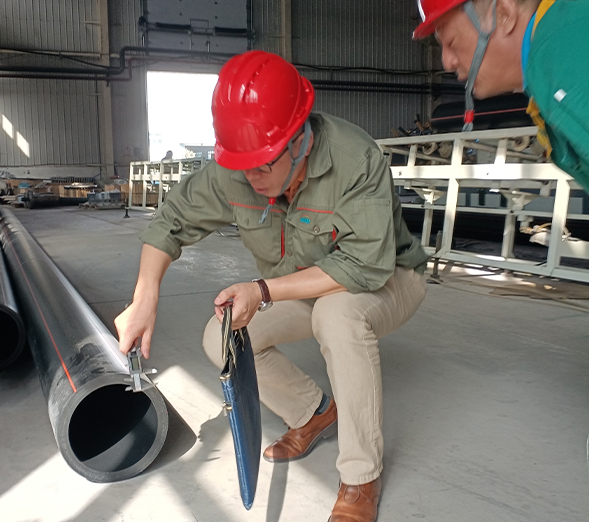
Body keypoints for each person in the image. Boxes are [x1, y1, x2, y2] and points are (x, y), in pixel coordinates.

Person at [115, 50, 429, 522]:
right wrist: (145, 298)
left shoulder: (354, 159)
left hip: (391, 276)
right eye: (242, 166)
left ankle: (361, 477)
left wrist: (262, 290)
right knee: (222, 336)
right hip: (302, 283)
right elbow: (170, 222)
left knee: (337, 315)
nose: (250, 177)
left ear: (299, 139)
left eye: (263, 165)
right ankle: (312, 413)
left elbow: (365, 266)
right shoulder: (239, 167)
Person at [413, 0, 589, 193]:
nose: (447, 63)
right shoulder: (557, 51)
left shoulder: (562, 59)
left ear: (504, 14)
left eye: (452, 42)